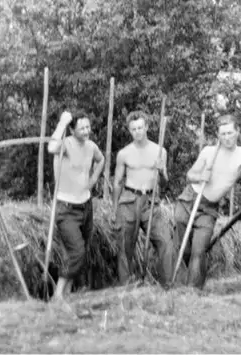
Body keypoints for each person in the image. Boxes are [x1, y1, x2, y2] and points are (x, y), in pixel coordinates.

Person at [171, 113, 241, 289]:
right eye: (223, 134)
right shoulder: (209, 152)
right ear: (218, 136)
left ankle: (193, 291)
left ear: (238, 132)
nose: (226, 138)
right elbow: (190, 175)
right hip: (188, 200)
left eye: (230, 133)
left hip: (209, 209)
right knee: (183, 248)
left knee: (198, 250)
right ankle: (179, 284)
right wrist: (202, 175)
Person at [47, 110, 106, 304]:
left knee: (80, 251)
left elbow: (101, 159)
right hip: (66, 207)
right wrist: (63, 122)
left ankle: (67, 294)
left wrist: (94, 178)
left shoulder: (90, 146)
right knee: (77, 251)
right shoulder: (66, 144)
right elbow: (51, 147)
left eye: (88, 127)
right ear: (72, 130)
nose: (86, 131)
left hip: (85, 205)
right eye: (81, 128)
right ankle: (58, 294)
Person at [111, 110, 175, 285]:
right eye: (133, 129)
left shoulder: (160, 150)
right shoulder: (124, 153)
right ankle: (126, 287)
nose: (137, 132)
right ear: (129, 131)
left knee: (165, 242)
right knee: (125, 247)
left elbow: (165, 181)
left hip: (150, 202)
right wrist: (115, 210)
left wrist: (162, 170)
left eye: (140, 127)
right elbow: (117, 183)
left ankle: (167, 286)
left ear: (147, 127)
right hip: (129, 201)